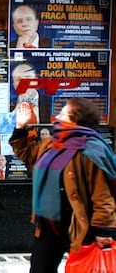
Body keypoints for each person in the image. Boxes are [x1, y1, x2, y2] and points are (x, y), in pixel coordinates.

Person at [9, 98, 116, 273]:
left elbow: (102, 196)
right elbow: (27, 154)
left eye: (62, 113)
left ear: (75, 120)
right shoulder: (52, 143)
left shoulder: (91, 150)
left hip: (80, 224)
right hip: (49, 225)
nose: (57, 117)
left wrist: (103, 231)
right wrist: (20, 126)